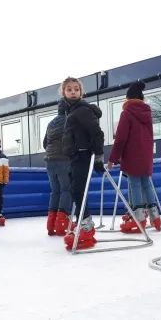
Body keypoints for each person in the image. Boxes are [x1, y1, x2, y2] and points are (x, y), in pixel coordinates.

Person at [107, 81, 161, 232]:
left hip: (132, 155)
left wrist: (112, 159)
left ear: (128, 99)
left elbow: (121, 139)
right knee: (146, 184)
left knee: (135, 185)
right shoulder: (147, 113)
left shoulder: (127, 113)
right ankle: (155, 217)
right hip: (146, 155)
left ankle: (138, 218)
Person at [59, 77, 105, 250]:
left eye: (76, 89)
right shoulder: (70, 111)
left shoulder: (81, 110)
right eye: (69, 89)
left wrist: (99, 156)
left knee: (79, 191)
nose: (73, 92)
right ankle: (81, 221)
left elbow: (97, 133)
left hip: (84, 156)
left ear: (81, 92)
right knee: (74, 190)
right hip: (75, 157)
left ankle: (86, 225)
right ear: (63, 92)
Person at [43, 82, 72, 236]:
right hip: (63, 159)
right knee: (66, 189)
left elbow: (44, 143)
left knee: (55, 190)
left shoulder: (51, 122)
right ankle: (62, 223)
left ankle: (51, 224)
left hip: (49, 160)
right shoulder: (69, 120)